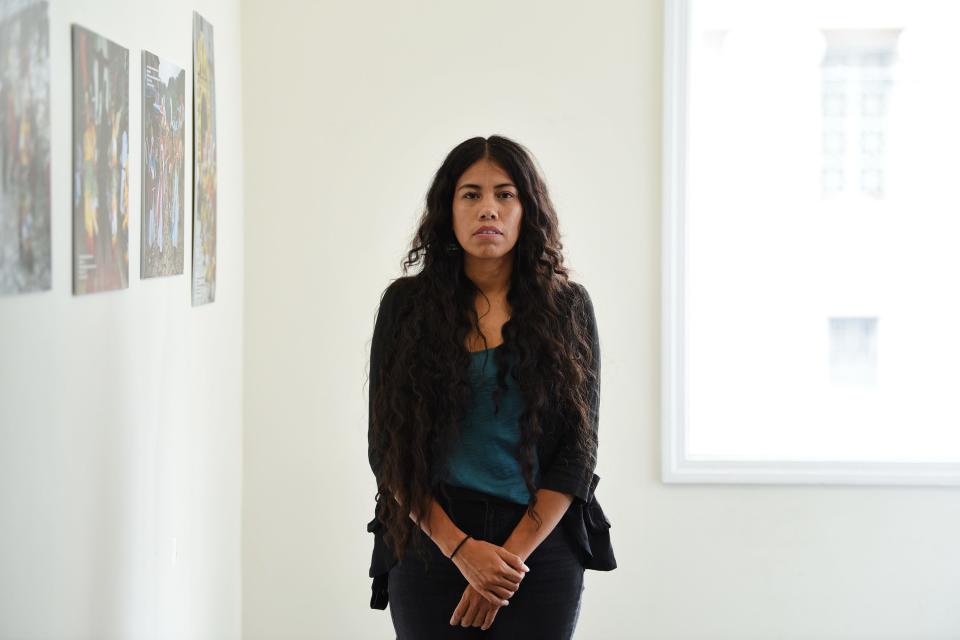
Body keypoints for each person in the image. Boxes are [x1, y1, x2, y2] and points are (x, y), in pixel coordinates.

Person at [366, 135, 616, 639]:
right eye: (471, 194)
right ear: (447, 209)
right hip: (429, 542)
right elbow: (386, 449)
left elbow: (578, 450)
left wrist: (504, 563)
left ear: (527, 210)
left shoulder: (568, 308)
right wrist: (463, 551)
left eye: (505, 195)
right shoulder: (405, 306)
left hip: (537, 552)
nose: (488, 209)